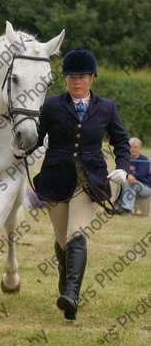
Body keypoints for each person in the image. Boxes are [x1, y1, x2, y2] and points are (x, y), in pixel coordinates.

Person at [25, 47, 130, 320]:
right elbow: (37, 138)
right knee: (62, 241)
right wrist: (20, 146)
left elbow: (120, 141)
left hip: (89, 182)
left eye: (81, 77)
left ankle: (72, 295)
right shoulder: (50, 105)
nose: (76, 82)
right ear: (64, 80)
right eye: (71, 77)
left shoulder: (107, 107)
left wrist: (122, 167)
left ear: (92, 78)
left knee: (75, 234)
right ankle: (65, 284)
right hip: (55, 179)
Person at [115, 137, 151, 216]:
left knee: (129, 182)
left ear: (139, 148)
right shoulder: (125, 159)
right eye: (131, 146)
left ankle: (127, 210)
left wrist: (128, 175)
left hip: (145, 188)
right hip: (130, 185)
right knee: (121, 182)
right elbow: (120, 171)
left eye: (135, 147)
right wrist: (128, 175)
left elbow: (140, 175)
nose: (133, 149)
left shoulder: (144, 160)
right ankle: (116, 208)